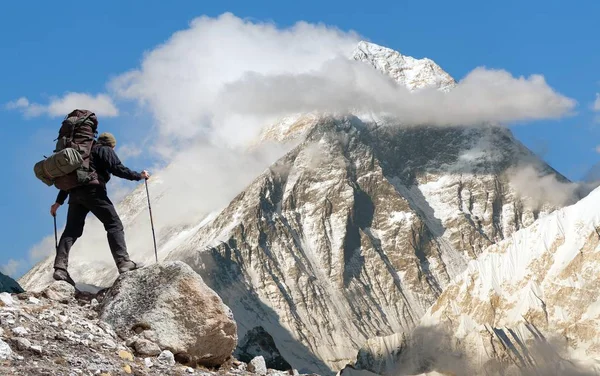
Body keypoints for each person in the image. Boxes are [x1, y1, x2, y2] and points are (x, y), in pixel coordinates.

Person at [50, 132, 150, 286]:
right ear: (112, 144)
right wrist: (139, 176)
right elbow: (117, 169)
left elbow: (71, 179)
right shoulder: (105, 150)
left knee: (71, 230)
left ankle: (60, 268)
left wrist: (58, 203)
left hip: (75, 194)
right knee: (114, 224)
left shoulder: (82, 155)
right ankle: (123, 262)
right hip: (94, 192)